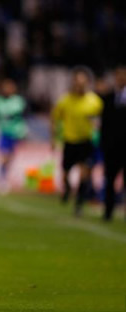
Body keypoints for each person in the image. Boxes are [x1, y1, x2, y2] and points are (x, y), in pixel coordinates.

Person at [50, 67, 103, 216]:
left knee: (84, 174)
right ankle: (67, 187)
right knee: (66, 172)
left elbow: (101, 120)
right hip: (70, 141)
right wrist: (53, 138)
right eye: (77, 82)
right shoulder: (65, 101)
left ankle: (79, 204)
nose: (79, 86)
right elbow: (54, 119)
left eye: (82, 83)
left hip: (86, 142)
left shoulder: (95, 101)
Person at [0, 78, 27, 194]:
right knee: (4, 156)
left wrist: (22, 131)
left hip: (15, 133)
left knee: (9, 157)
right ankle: (2, 179)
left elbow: (21, 116)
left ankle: (3, 177)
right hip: (4, 133)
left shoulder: (18, 101)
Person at [99, 64, 126, 221]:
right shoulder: (108, 98)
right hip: (112, 148)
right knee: (109, 180)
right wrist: (104, 144)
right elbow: (104, 124)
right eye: (118, 75)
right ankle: (108, 212)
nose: (121, 78)